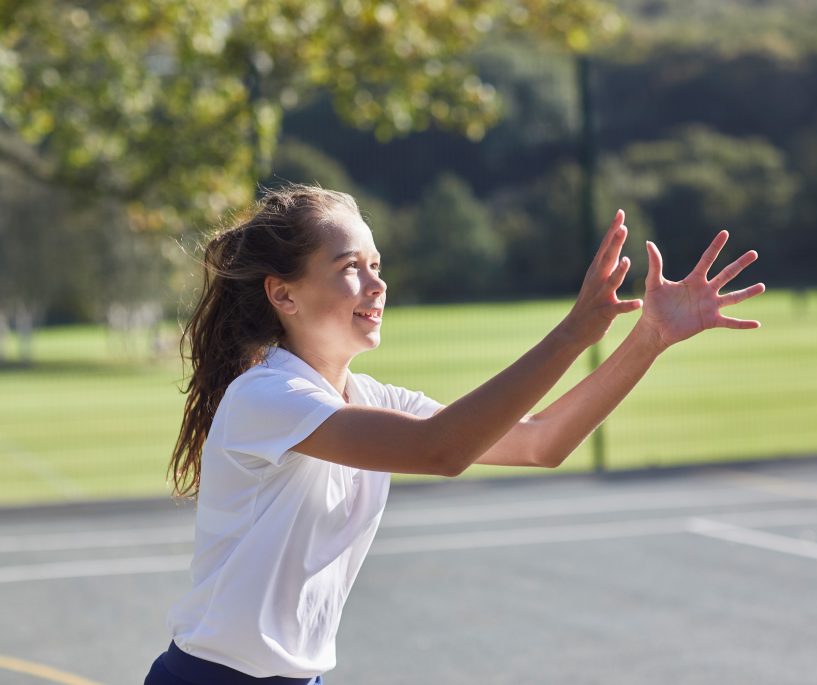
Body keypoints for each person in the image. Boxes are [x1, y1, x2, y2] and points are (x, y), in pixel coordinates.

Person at [144, 184, 765, 684]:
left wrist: (648, 338)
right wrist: (573, 333)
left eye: (376, 264)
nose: (377, 283)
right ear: (283, 293)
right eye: (350, 268)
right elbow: (439, 450)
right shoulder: (266, 396)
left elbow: (540, 442)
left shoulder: (370, 398)